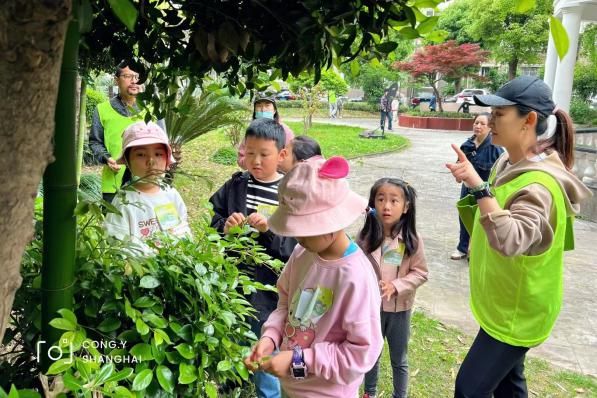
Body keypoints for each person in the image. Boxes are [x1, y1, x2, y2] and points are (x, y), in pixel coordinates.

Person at [445, 76, 592, 397]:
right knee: (510, 386)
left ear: (529, 120)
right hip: (504, 303)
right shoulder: (507, 161)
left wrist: (479, 186)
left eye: (500, 115)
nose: (490, 121)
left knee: (468, 388)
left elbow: (510, 240)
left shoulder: (540, 184)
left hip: (518, 312)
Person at [244, 156, 383, 398]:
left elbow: (362, 353)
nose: (296, 238)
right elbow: (285, 304)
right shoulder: (302, 253)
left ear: (330, 224)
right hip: (291, 388)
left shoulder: (355, 277)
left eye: (303, 230)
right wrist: (270, 337)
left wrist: (298, 360)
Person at [210, 118, 297, 398]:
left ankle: (267, 391)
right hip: (235, 282)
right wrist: (225, 226)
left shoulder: (290, 194)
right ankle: (233, 379)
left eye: (263, 154)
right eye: (249, 153)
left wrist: (269, 231)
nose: (255, 161)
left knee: (265, 341)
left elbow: (295, 247)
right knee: (235, 335)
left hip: (271, 289)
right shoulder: (236, 185)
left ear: (282, 155)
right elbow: (215, 223)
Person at [358, 178, 428, 398]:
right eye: (380, 199)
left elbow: (421, 273)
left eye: (394, 201)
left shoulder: (411, 240)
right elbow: (354, 270)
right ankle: (369, 393)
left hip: (400, 311)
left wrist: (396, 286)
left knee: (399, 359)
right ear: (372, 204)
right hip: (372, 310)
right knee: (372, 355)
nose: (386, 206)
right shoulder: (363, 239)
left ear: (406, 207)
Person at [104, 121, 190, 255]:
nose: (151, 161)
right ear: (127, 162)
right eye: (140, 154)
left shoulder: (171, 195)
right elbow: (117, 244)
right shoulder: (123, 202)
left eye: (158, 154)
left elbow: (182, 228)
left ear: (167, 160)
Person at [89, 60, 144, 204]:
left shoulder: (151, 109)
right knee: (112, 224)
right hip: (112, 184)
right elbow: (95, 142)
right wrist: (107, 158)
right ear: (116, 80)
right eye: (127, 76)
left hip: (146, 182)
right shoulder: (102, 109)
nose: (133, 81)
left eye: (137, 76)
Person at [451, 113, 504, 260]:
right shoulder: (467, 145)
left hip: (486, 192)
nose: (478, 126)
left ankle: (476, 250)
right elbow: (459, 165)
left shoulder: (496, 149)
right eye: (476, 123)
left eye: (482, 124)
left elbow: (500, 173)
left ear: (490, 127)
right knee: (465, 217)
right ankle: (462, 248)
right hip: (467, 190)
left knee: (484, 221)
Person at [237, 93, 294, 170]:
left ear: (274, 110)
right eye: (259, 106)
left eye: (267, 105)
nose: (263, 109)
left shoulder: (285, 131)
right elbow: (241, 159)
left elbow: (291, 160)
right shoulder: (252, 131)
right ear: (255, 111)